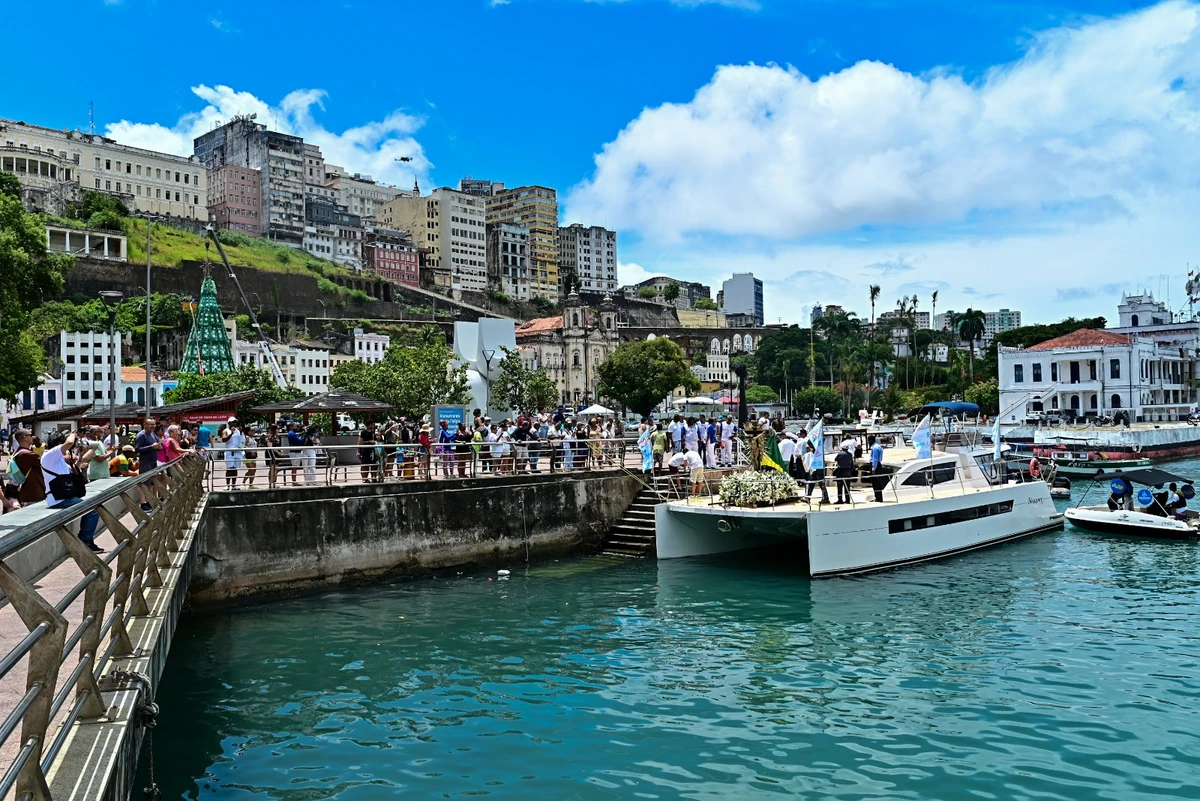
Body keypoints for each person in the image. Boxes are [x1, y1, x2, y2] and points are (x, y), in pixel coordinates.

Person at [41, 430, 103, 553]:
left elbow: (75, 469)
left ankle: (86, 539)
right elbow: (69, 442)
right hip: (58, 499)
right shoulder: (49, 455)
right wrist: (73, 433)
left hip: (64, 497)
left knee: (92, 508)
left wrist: (81, 456)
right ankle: (85, 541)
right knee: (92, 511)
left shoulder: (58, 460)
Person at [133, 418, 162, 510]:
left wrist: (159, 446)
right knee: (144, 483)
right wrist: (151, 447)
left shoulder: (153, 434)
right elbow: (137, 449)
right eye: (150, 424)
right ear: (145, 424)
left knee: (151, 483)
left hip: (153, 462)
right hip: (145, 462)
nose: (153, 426)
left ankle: (149, 501)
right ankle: (143, 503)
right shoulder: (141, 435)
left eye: (154, 424)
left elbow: (157, 445)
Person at [221, 418, 245, 490]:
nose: (234, 423)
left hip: (237, 452)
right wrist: (231, 433)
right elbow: (224, 439)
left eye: (235, 422)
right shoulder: (226, 431)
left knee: (235, 469)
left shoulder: (238, 431)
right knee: (229, 469)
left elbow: (241, 441)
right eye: (232, 422)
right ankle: (227, 485)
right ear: (229, 423)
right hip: (229, 452)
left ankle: (234, 485)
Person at [868, 435, 887, 502]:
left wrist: (873, 468)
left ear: (871, 440)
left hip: (875, 466)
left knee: (875, 483)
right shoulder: (878, 446)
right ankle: (878, 497)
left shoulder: (874, 448)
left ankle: (878, 498)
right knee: (878, 483)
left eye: (869, 441)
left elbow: (875, 459)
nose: (868, 442)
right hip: (879, 464)